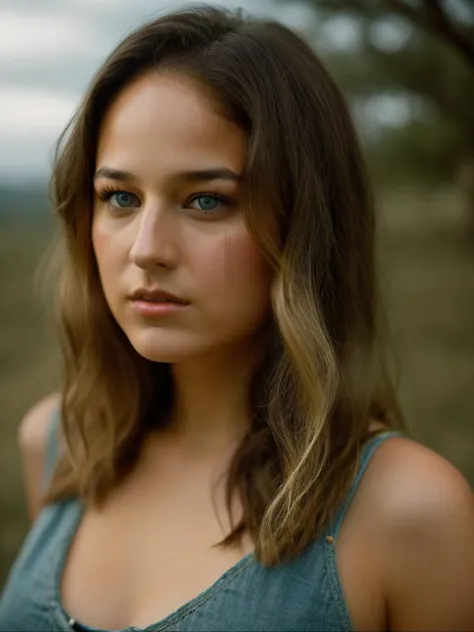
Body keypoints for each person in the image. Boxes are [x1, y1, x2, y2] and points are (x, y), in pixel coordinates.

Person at [0, 5, 473, 631]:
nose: (145, 248)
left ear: (304, 226)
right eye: (120, 197)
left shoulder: (410, 513)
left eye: (205, 200)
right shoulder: (60, 444)